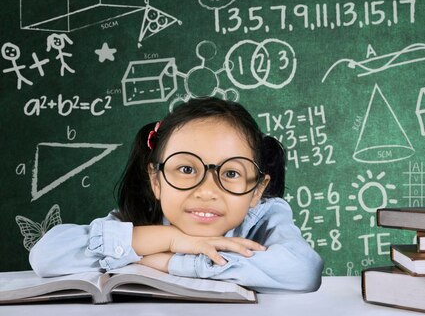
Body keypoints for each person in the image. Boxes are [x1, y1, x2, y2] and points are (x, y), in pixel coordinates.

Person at [29, 97, 323, 293]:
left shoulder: (264, 217)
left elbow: (303, 272)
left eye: (231, 173)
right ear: (156, 180)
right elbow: (46, 255)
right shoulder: (141, 218)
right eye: (185, 168)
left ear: (257, 189)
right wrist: (173, 241)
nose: (207, 191)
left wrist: (167, 262)